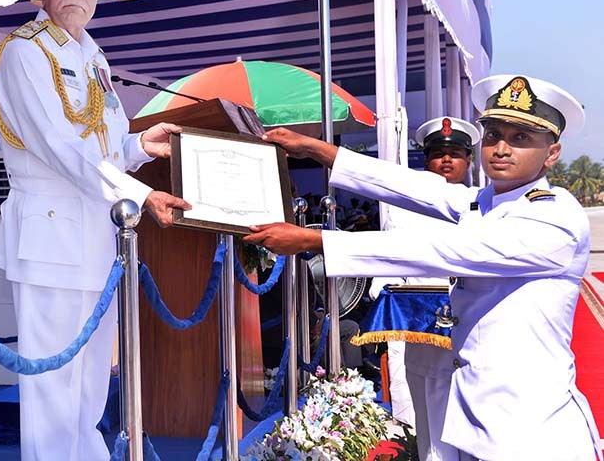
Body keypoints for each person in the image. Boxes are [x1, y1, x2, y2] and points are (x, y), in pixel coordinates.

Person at [245, 75, 601, 461]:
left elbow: (449, 248)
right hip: (473, 409)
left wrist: (317, 241)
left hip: (532, 426)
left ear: (552, 154)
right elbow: (418, 187)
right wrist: (319, 151)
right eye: (494, 134)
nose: (501, 149)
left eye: (520, 139)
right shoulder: (485, 202)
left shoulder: (555, 217)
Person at [0, 0, 190, 461]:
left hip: (97, 235)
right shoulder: (24, 52)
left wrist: (142, 143)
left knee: (92, 379)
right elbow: (58, 147)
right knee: (55, 382)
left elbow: (100, 146)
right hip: (51, 237)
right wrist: (142, 196)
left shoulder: (90, 53)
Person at [367, 116, 478, 461]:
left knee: (469, 419)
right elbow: (388, 267)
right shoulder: (404, 207)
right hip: (415, 324)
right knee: (423, 417)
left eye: (456, 153)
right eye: (439, 153)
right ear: (426, 158)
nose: (447, 160)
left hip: (468, 326)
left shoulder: (483, 204)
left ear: (469, 160)